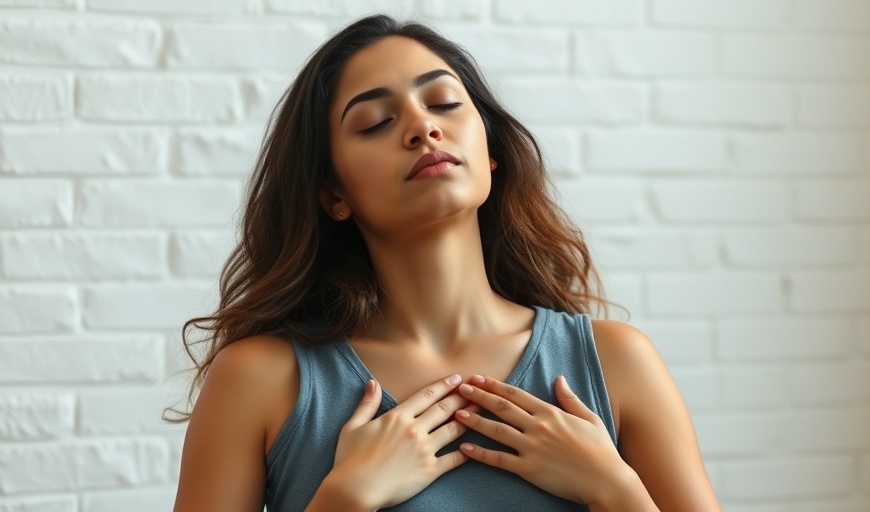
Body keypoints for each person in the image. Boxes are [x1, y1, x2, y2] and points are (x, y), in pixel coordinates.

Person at [171, 14, 721, 512]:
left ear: (490, 151)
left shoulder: (616, 363)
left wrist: (615, 489)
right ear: (332, 192)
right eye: (375, 123)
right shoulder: (261, 380)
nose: (422, 128)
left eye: (445, 103)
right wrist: (343, 499)